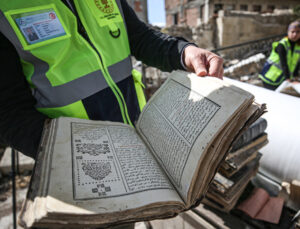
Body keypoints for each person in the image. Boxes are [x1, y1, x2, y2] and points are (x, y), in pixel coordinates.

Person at [0, 1, 223, 228]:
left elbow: (140, 37)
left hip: (133, 145)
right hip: (75, 169)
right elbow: (9, 113)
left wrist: (184, 51)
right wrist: (75, 152)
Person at [259, 20, 300, 90]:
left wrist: (295, 76)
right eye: (292, 31)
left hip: (282, 78)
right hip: (271, 76)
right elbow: (283, 63)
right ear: (288, 32)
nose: (295, 34)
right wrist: (288, 78)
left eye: (298, 32)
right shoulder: (282, 44)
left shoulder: (298, 46)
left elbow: (297, 63)